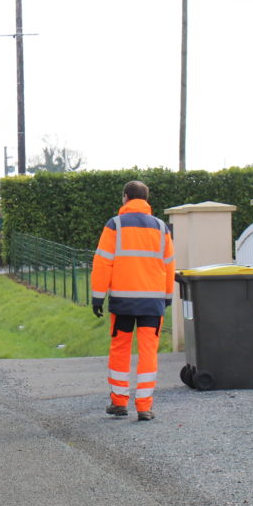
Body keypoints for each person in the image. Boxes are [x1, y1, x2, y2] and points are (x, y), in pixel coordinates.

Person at [90, 180, 175, 421]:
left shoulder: (115, 225)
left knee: (120, 348)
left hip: (123, 300)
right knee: (149, 351)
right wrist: (167, 296)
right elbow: (169, 264)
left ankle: (119, 402)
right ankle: (144, 407)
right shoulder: (161, 228)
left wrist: (98, 296)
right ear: (146, 200)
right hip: (153, 301)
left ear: (126, 197)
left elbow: (103, 262)